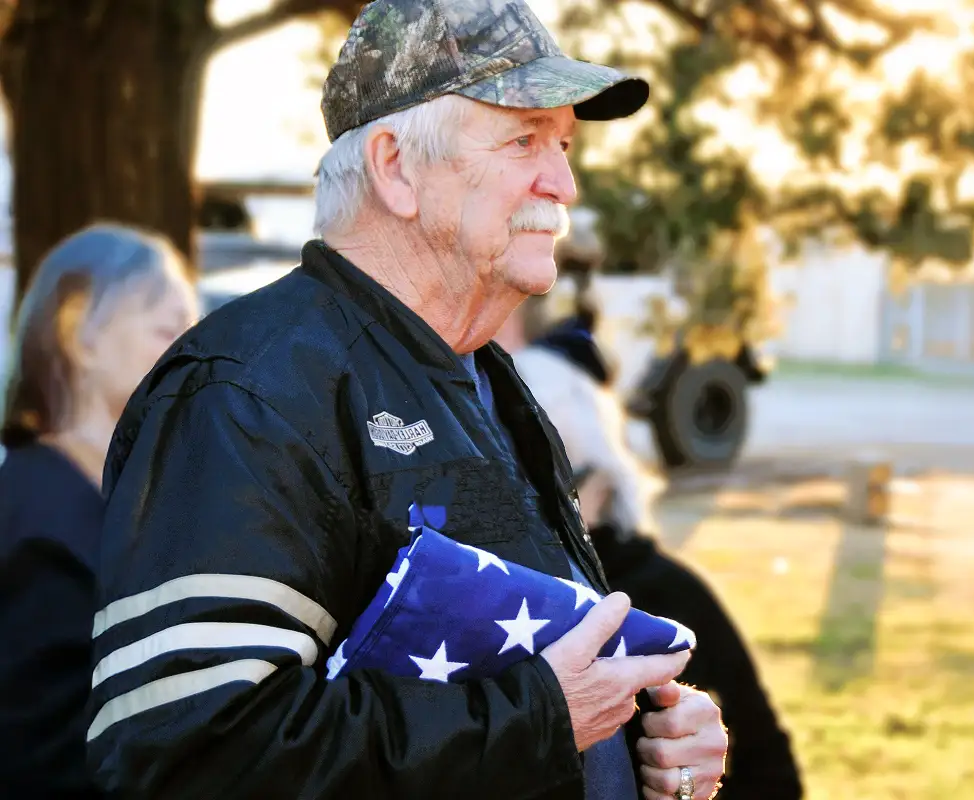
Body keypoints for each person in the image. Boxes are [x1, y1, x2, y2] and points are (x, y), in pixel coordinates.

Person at [85, 2, 728, 799]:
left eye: (564, 144)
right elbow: (188, 757)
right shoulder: (248, 390)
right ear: (395, 166)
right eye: (524, 139)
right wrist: (540, 721)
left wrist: (641, 742)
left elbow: (532, 687)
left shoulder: (485, 379)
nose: (563, 182)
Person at [498, 296, 805, 799]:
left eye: (553, 484)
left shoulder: (671, 599)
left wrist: (686, 785)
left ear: (602, 482)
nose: (524, 506)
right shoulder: (489, 593)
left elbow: (769, 775)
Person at [0, 223, 196, 797]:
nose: (193, 348)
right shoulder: (38, 520)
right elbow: (42, 763)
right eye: (167, 327)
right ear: (76, 330)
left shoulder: (132, 499)